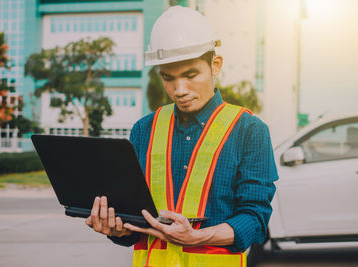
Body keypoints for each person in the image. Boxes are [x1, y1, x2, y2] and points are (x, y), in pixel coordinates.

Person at [86, 6, 278, 267]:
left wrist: (197, 236)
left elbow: (255, 219)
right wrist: (116, 229)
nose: (179, 90)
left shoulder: (249, 131)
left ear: (215, 65)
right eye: (168, 78)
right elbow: (133, 223)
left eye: (191, 75)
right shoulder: (144, 130)